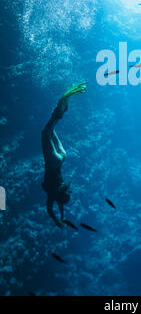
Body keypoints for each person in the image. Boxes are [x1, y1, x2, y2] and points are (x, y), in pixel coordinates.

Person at [41, 82, 87, 227]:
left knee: (51, 130)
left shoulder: (61, 190)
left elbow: (60, 204)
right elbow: (50, 209)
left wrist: (62, 216)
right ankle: (61, 104)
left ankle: (61, 108)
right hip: (53, 161)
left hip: (62, 157)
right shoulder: (53, 196)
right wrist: (57, 219)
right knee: (45, 132)